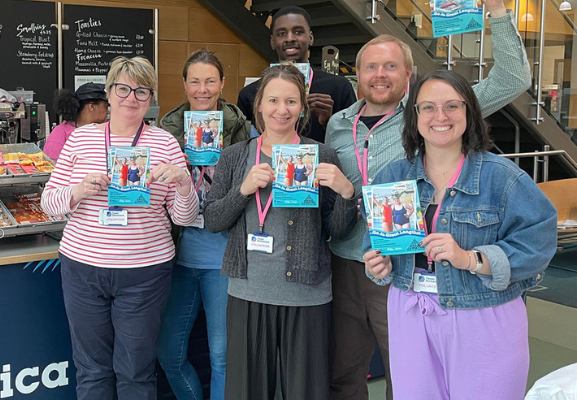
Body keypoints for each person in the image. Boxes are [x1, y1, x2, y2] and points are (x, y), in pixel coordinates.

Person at [324, 0, 530, 397]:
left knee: (407, 375)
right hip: (349, 259)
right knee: (344, 371)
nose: (379, 75)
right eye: (371, 66)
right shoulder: (339, 123)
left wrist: (499, 13)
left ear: (408, 73)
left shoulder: (430, 114)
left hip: (407, 265)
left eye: (390, 66)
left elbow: (512, 78)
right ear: (358, 73)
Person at [363, 69, 556, 400]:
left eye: (452, 105)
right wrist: (378, 266)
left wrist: (471, 258)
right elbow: (376, 242)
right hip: (409, 312)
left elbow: (539, 242)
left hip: (483, 314)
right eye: (428, 107)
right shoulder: (392, 176)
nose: (441, 116)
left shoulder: (503, 177)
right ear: (414, 116)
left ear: (469, 113)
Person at [40, 56, 199, 400]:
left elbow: (184, 218)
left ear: (151, 98)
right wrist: (77, 191)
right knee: (92, 371)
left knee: (136, 373)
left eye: (142, 91)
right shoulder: (80, 140)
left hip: (145, 273)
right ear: (109, 94)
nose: (132, 98)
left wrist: (185, 185)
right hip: (83, 269)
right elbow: (49, 204)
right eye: (123, 89)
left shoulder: (165, 144)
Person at [204, 64, 357, 400]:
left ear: (302, 107)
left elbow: (337, 231)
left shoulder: (322, 155)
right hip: (248, 291)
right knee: (247, 390)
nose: (281, 109)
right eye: (273, 100)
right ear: (259, 105)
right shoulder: (235, 156)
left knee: (305, 390)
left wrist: (347, 194)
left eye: (291, 101)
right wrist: (242, 190)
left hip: (307, 293)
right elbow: (213, 220)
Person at [157, 48, 250, 400]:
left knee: (222, 355)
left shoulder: (241, 129)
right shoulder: (166, 131)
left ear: (223, 84)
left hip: (223, 256)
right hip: (178, 254)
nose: (202, 89)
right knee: (169, 353)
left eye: (210, 81)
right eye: (195, 81)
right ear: (183, 85)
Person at [237, 6, 356, 143]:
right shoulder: (250, 94)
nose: (290, 38)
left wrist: (329, 122)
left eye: (298, 32)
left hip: (324, 163)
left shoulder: (339, 88)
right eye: (281, 34)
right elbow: (244, 145)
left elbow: (352, 144)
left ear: (310, 38)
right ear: (272, 42)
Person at [43, 82, 109, 160]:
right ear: (92, 107)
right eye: (106, 107)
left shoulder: (109, 130)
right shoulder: (61, 133)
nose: (108, 112)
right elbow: (51, 167)